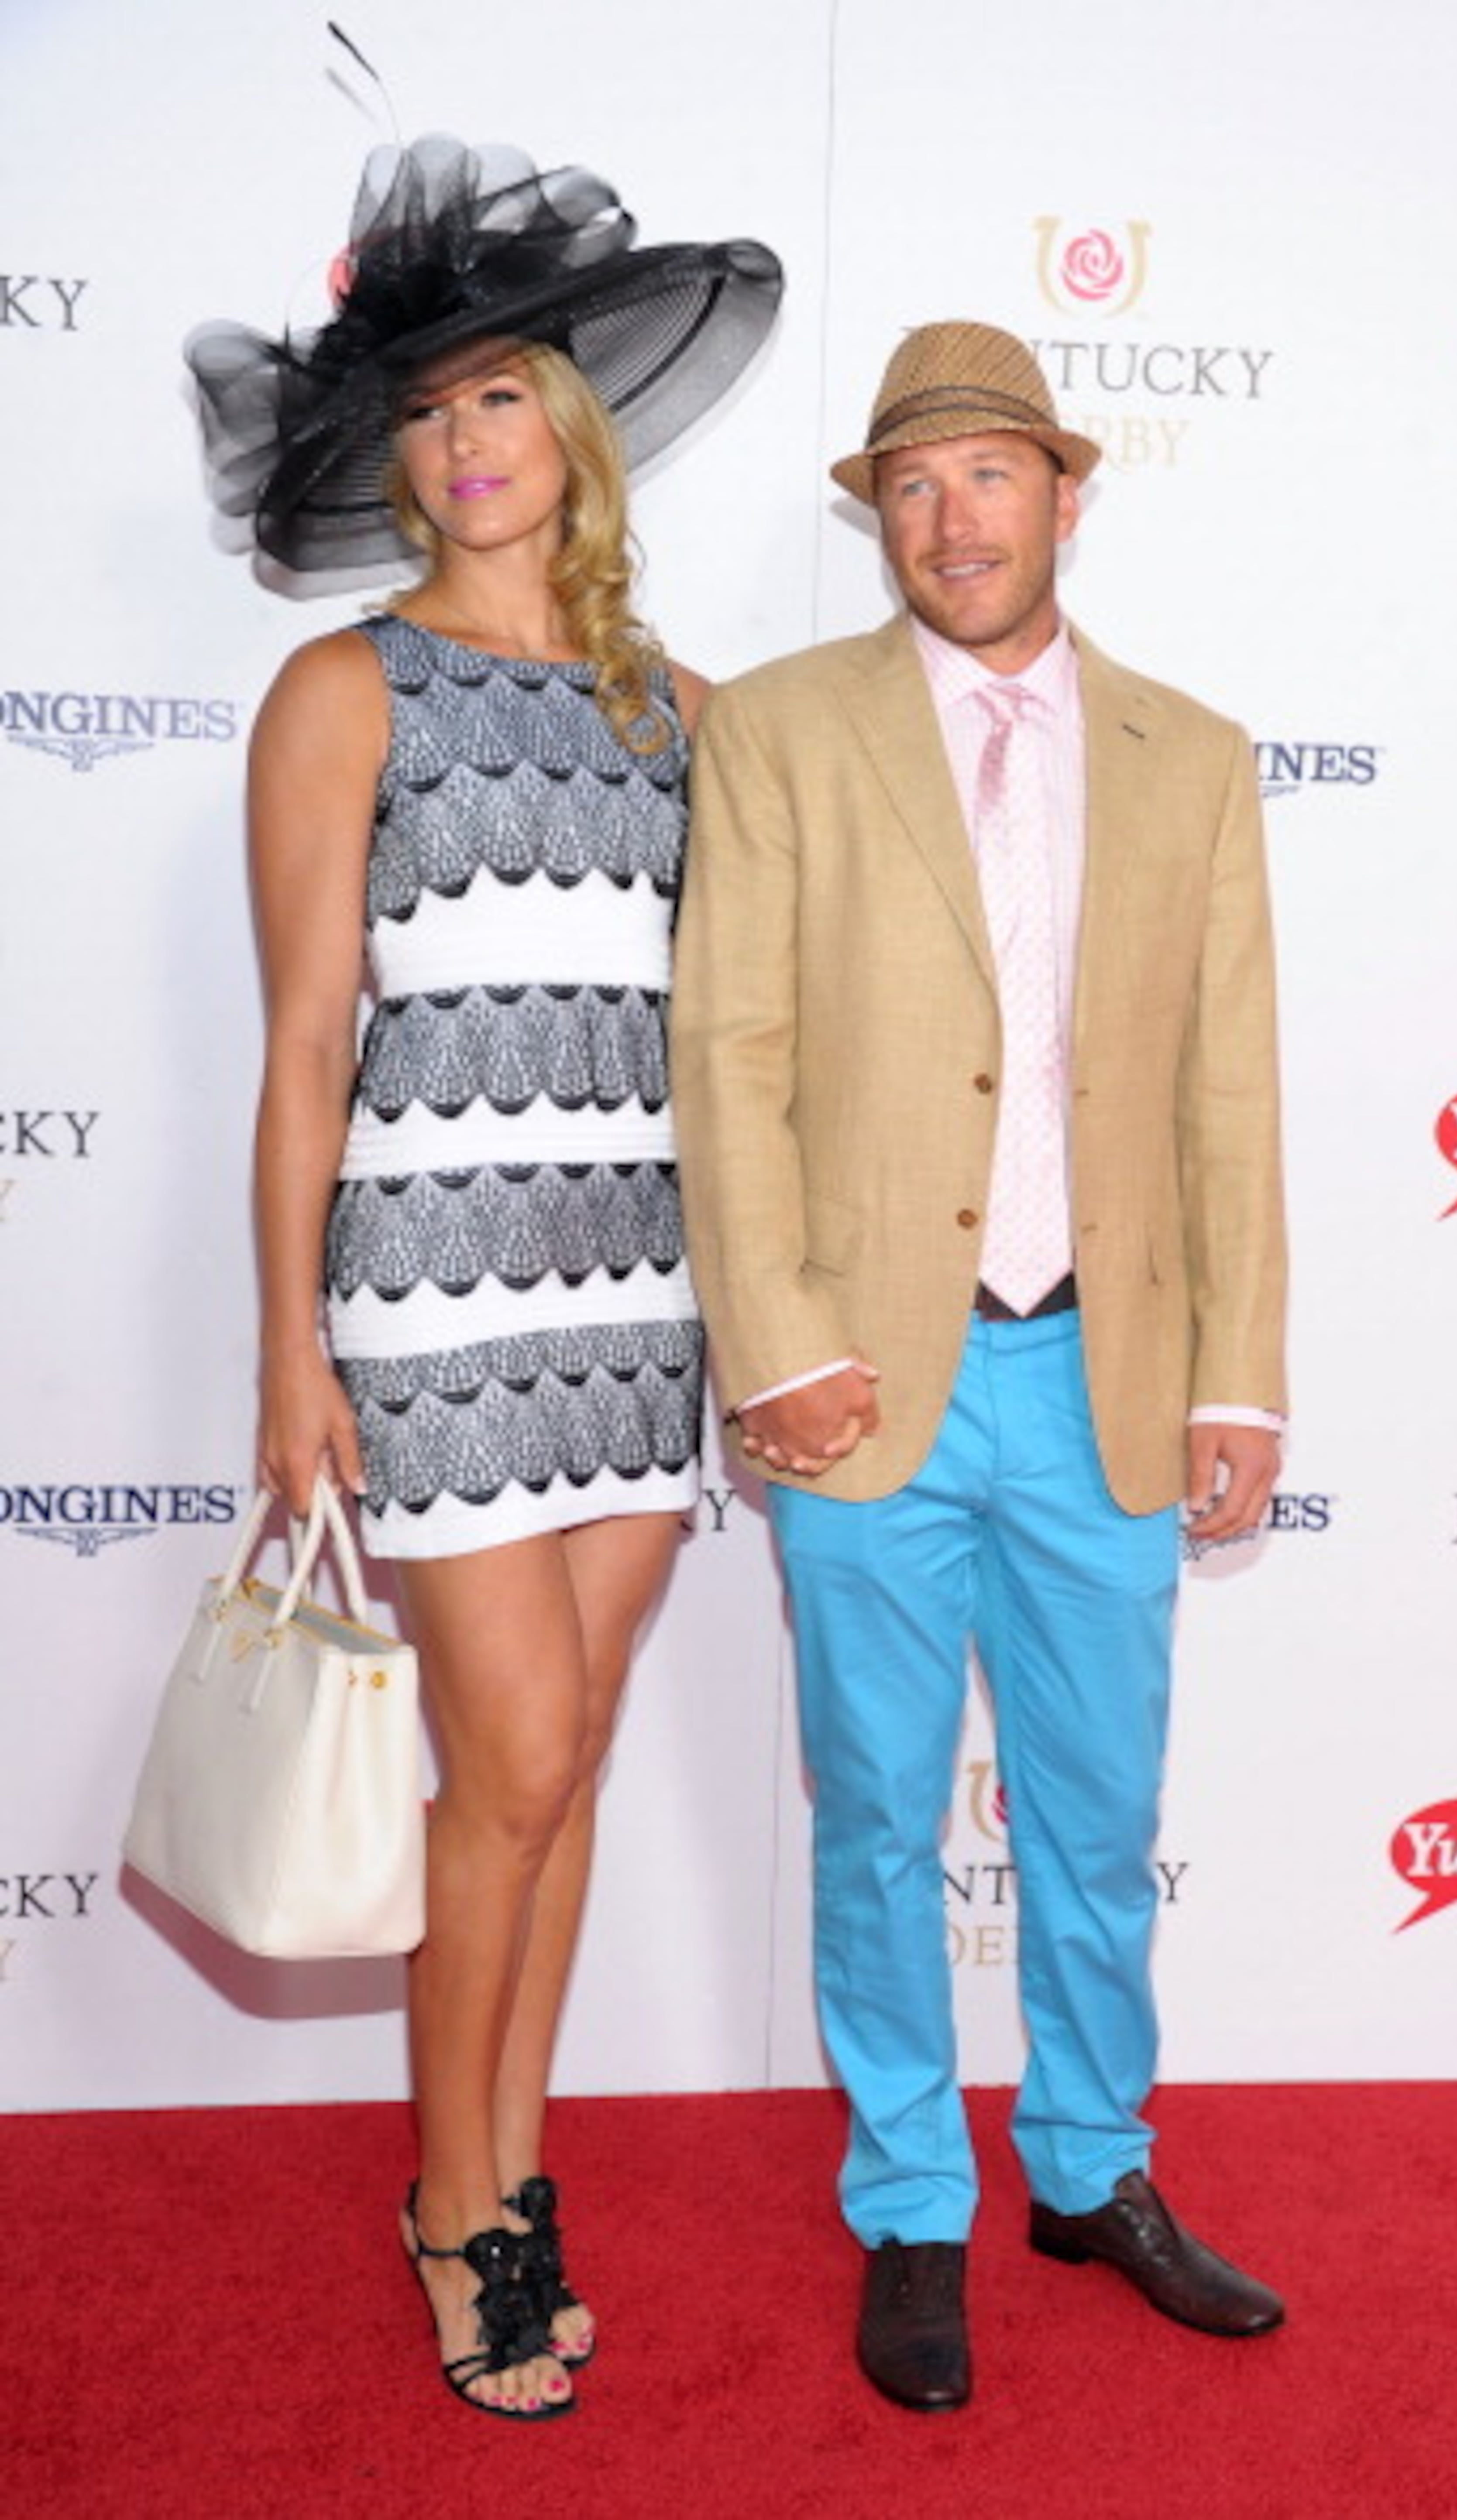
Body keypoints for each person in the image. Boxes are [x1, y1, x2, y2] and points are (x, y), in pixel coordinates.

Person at [186, 135, 780, 2421]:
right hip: (431, 1305)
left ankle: (507, 2165)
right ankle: (455, 2213)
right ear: (394, 457)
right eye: (427, 415)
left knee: (567, 1761)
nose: (468, 445)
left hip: (638, 1304)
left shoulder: (691, 719)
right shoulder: (344, 694)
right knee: (508, 1756)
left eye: (503, 399)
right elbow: (308, 1051)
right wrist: (288, 1355)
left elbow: (741, 1042)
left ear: (574, 428)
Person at [670, 321, 1287, 2411]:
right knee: (873, 1828)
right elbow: (727, 1059)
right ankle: (913, 2205)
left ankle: (1094, 2169)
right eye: (915, 487)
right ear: (883, 517)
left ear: (1063, 493)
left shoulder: (1194, 754)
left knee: (1100, 1821)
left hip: (1107, 1376)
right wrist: (775, 1347)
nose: (955, 520)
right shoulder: (776, 732)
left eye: (991, 477)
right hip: (864, 1387)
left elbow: (1231, 1096)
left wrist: (1240, 1373)